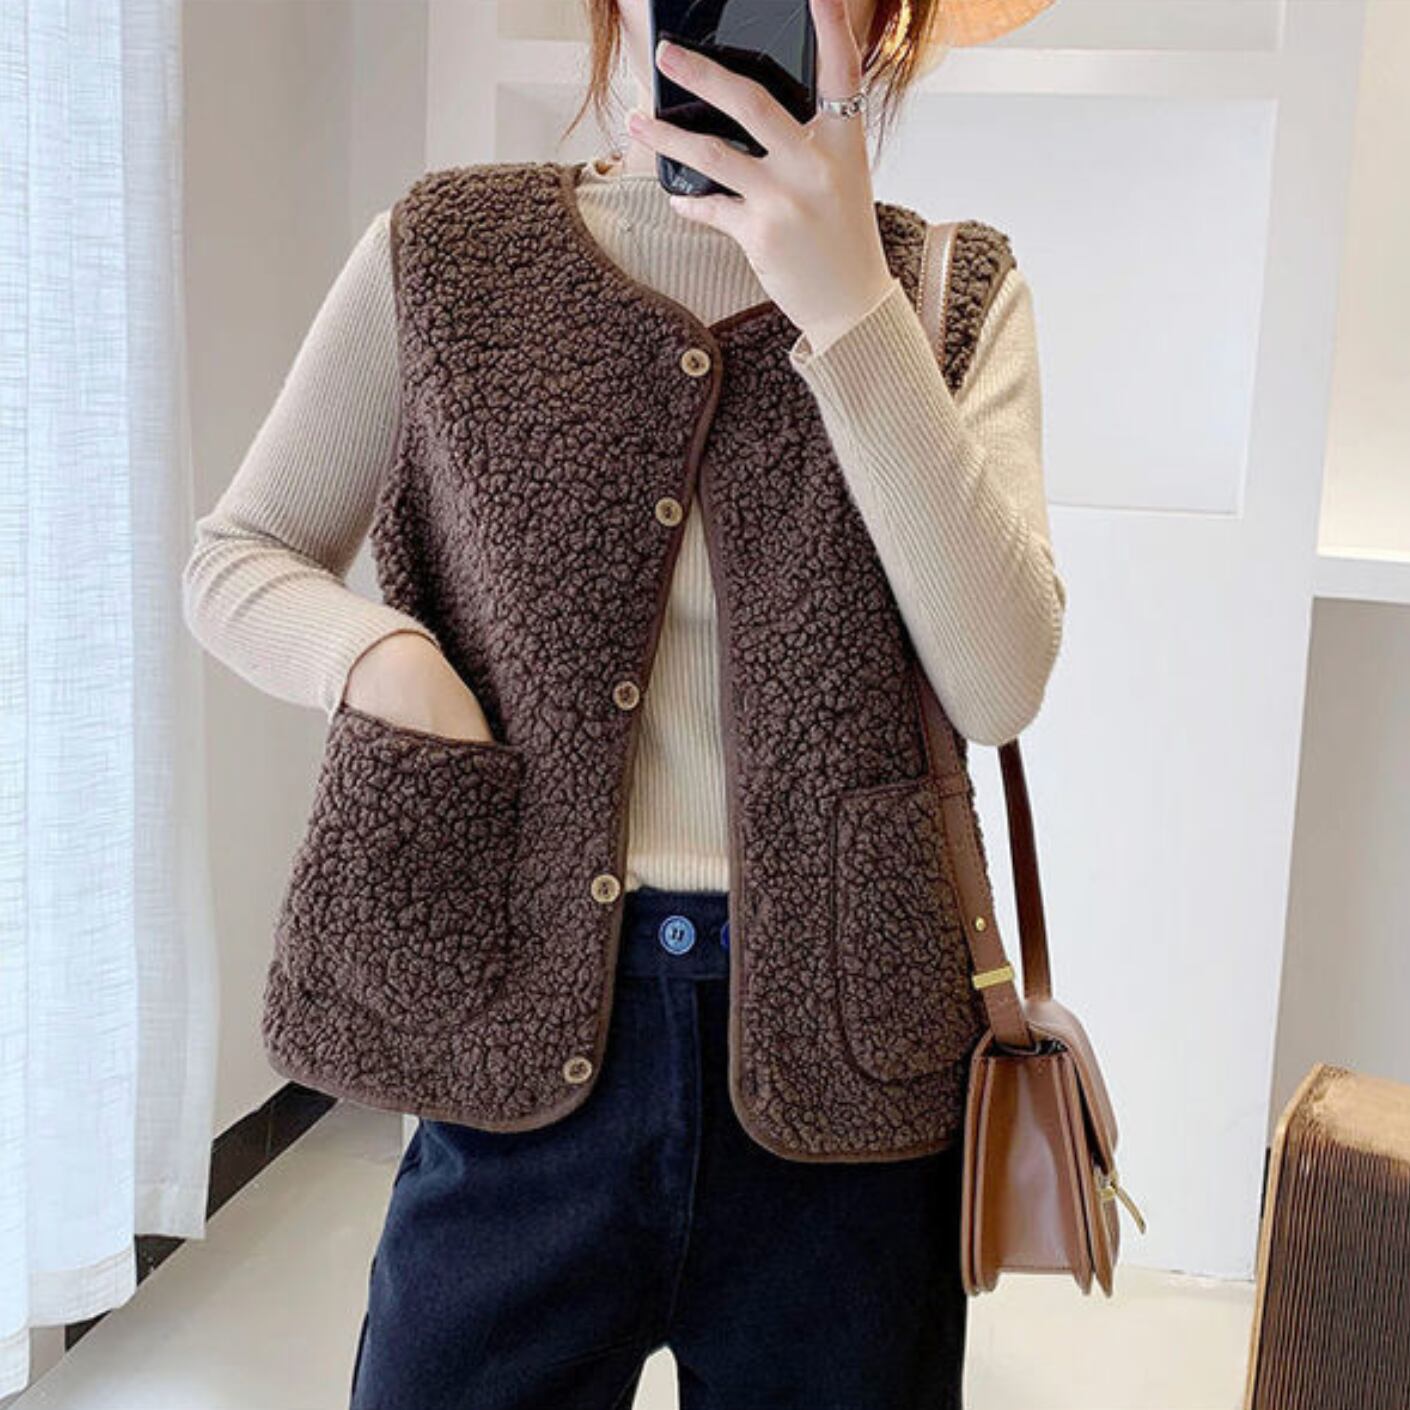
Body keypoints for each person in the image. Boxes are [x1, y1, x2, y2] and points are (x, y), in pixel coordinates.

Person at [182, 0, 1066, 1404]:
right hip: (517, 1049)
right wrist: (389, 663)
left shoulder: (953, 291)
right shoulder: (450, 254)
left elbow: (998, 678)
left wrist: (851, 303)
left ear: (884, 21)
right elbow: (239, 556)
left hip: (852, 1086)